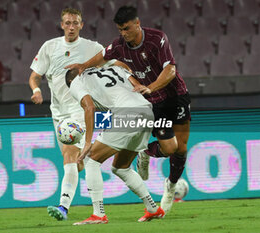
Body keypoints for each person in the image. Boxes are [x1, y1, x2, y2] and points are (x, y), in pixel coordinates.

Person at [66, 6, 191, 214]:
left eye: (126, 29)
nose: (123, 34)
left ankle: (169, 186)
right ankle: (145, 156)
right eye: (120, 30)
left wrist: (150, 86)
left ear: (137, 24)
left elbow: (170, 70)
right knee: (169, 149)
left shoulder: (157, 38)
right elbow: (102, 57)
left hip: (174, 95)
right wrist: (83, 65)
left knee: (180, 148)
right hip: (149, 103)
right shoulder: (117, 50)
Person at [29, 7, 108, 221]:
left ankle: (63, 207)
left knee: (69, 155)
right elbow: (34, 77)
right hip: (58, 112)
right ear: (61, 24)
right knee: (78, 162)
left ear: (82, 25)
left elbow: (110, 65)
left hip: (80, 109)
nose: (71, 27)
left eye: (75, 23)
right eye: (67, 23)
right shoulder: (50, 47)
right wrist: (36, 90)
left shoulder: (92, 48)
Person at [65, 66, 165, 225]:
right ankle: (153, 209)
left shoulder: (77, 80)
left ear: (70, 82)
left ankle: (98, 214)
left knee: (91, 159)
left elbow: (89, 107)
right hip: (146, 111)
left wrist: (87, 142)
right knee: (120, 167)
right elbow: (136, 85)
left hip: (127, 113)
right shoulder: (113, 69)